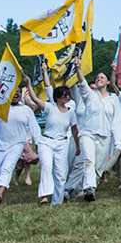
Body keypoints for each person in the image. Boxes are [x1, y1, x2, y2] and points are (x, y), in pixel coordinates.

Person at [70, 56, 121, 202]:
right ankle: (89, 189)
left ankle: (82, 189)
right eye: (97, 77)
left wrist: (118, 142)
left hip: (105, 137)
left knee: (99, 167)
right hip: (88, 134)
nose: (99, 79)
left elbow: (116, 121)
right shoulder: (89, 95)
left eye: (102, 77)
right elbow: (82, 82)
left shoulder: (113, 99)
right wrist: (78, 68)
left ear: (107, 82)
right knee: (89, 160)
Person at [0, 84, 42, 205]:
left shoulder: (26, 110)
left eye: (18, 92)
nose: (16, 94)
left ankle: (0, 193)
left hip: (17, 145)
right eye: (13, 92)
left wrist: (38, 144)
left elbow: (35, 129)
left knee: (7, 167)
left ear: (21, 94)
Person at [31, 77, 80, 206]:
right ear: (57, 97)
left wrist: (78, 146)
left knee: (61, 174)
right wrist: (28, 85)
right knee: (47, 166)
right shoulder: (49, 107)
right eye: (63, 95)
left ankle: (57, 202)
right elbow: (35, 99)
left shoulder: (71, 113)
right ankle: (45, 194)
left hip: (62, 143)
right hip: (47, 141)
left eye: (67, 96)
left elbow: (75, 131)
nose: (66, 98)